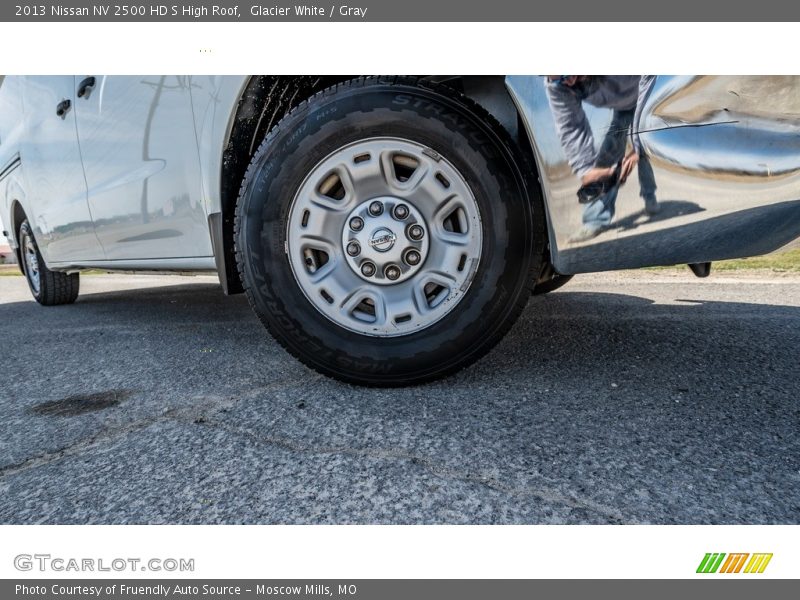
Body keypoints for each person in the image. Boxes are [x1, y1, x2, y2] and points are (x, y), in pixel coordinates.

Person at [545, 75, 659, 242]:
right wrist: (588, 172)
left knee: (643, 152)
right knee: (607, 156)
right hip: (622, 107)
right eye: (558, 79)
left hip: (649, 98)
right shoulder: (557, 85)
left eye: (566, 74)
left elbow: (651, 77)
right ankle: (594, 220)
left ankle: (650, 196)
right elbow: (570, 130)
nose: (568, 82)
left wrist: (639, 144)